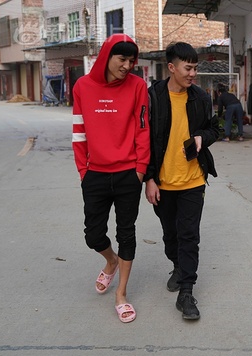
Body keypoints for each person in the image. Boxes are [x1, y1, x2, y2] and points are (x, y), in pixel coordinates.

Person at [72, 34, 150, 323]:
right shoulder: (83, 86)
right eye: (122, 59)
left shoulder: (138, 86)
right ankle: (111, 260)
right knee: (93, 234)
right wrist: (83, 171)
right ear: (107, 56)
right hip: (95, 174)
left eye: (132, 60)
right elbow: (79, 131)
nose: (128, 65)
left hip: (129, 173)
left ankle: (122, 294)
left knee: (126, 232)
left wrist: (140, 169)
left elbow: (143, 128)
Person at [145, 42, 219, 320]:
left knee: (189, 235)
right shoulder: (153, 97)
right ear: (172, 68)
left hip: (193, 180)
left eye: (195, 68)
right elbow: (145, 141)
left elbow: (215, 127)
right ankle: (177, 265)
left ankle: (186, 291)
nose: (192, 74)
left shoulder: (200, 97)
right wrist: (149, 179)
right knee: (170, 234)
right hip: (163, 183)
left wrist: (203, 137)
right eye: (188, 68)